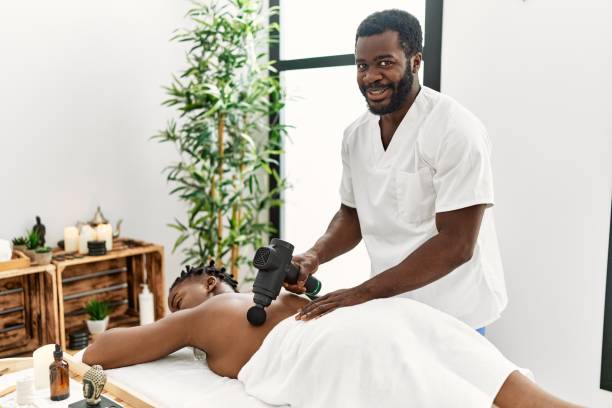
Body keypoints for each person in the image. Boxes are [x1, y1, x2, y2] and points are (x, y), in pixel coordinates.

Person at [83, 264, 580, 408]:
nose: (177, 313)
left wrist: (169, 322)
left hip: (328, 344)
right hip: (385, 313)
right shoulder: (278, 294)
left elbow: (101, 350)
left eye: (178, 298)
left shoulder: (210, 312)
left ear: (210, 283)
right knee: (511, 391)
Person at [287, 10, 506, 333]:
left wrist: (362, 293)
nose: (371, 76)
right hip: (393, 306)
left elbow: (457, 244)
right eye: (362, 65)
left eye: (385, 63)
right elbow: (352, 215)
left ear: (415, 62)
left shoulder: (455, 130)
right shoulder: (356, 135)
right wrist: (314, 255)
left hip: (455, 312)